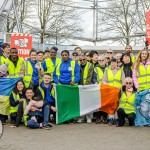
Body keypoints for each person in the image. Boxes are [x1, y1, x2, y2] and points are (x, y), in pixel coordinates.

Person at [103, 58, 125, 125]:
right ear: (110, 63)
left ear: (117, 63)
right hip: (109, 91)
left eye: (115, 62)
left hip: (118, 91)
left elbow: (123, 81)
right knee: (110, 104)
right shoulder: (106, 71)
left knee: (117, 104)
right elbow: (103, 81)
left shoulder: (121, 71)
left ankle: (116, 118)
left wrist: (120, 87)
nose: (113, 64)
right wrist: (107, 85)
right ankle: (111, 118)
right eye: (112, 62)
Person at [77, 55, 94, 123]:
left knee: (88, 103)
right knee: (81, 103)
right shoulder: (77, 65)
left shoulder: (90, 65)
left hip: (87, 87)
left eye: (84, 59)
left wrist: (86, 85)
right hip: (79, 87)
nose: (82, 61)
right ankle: (81, 117)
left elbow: (90, 76)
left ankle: (89, 117)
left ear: (86, 59)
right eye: (80, 60)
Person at [92, 55, 108, 124]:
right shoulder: (96, 68)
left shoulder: (108, 68)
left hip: (106, 88)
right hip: (98, 88)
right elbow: (94, 77)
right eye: (99, 60)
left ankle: (104, 117)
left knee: (105, 103)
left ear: (105, 61)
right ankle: (98, 117)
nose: (101, 62)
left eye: (102, 60)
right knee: (98, 103)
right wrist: (95, 81)